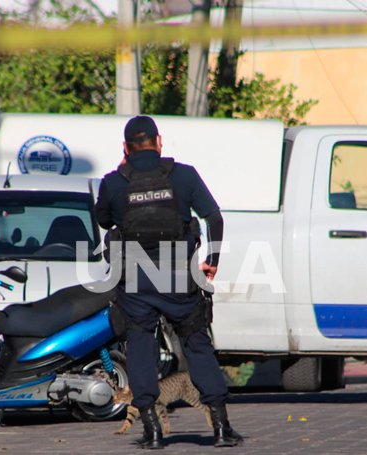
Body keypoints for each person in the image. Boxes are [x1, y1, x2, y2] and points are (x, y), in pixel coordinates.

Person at [95, 115, 242, 449]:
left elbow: (103, 219)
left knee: (141, 348)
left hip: (135, 280)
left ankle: (154, 431)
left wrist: (122, 172)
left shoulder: (113, 182)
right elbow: (214, 218)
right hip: (180, 278)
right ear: (159, 142)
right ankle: (220, 427)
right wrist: (213, 263)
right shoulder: (183, 175)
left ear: (125, 148)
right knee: (197, 344)